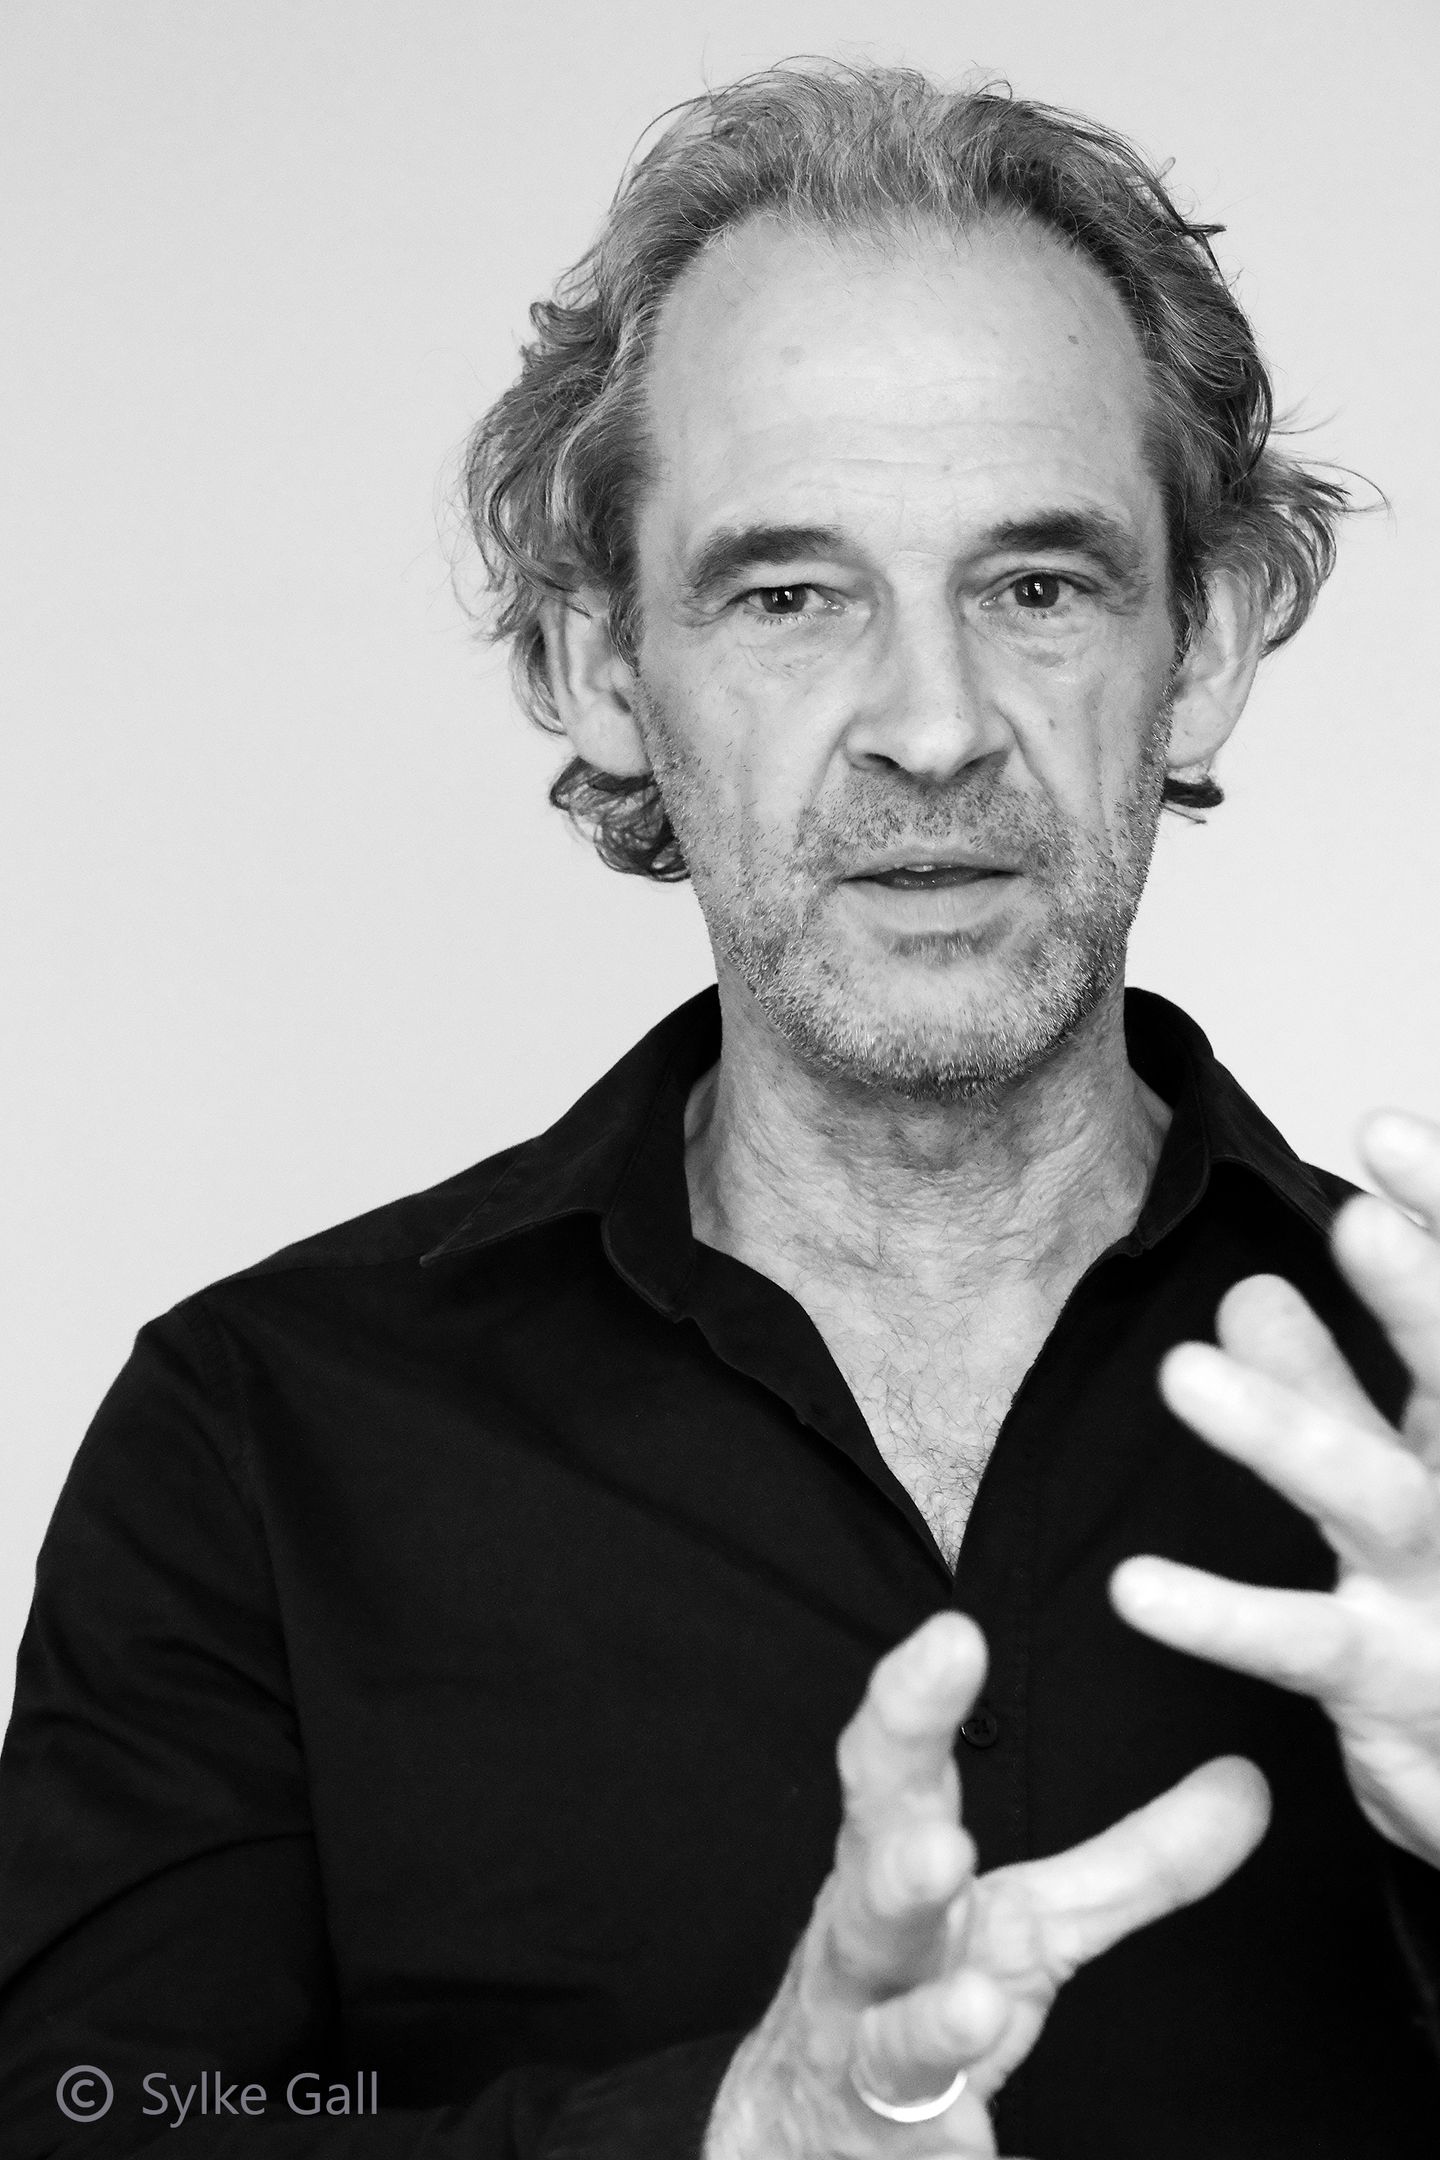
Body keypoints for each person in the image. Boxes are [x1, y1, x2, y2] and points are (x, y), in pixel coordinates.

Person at [1, 58, 1437, 2160]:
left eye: (1039, 586)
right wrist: (723, 2141)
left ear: (1201, 644)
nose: (934, 726)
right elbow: (104, 2121)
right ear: (605, 671)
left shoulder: (1428, 1437)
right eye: (789, 596)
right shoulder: (258, 1438)